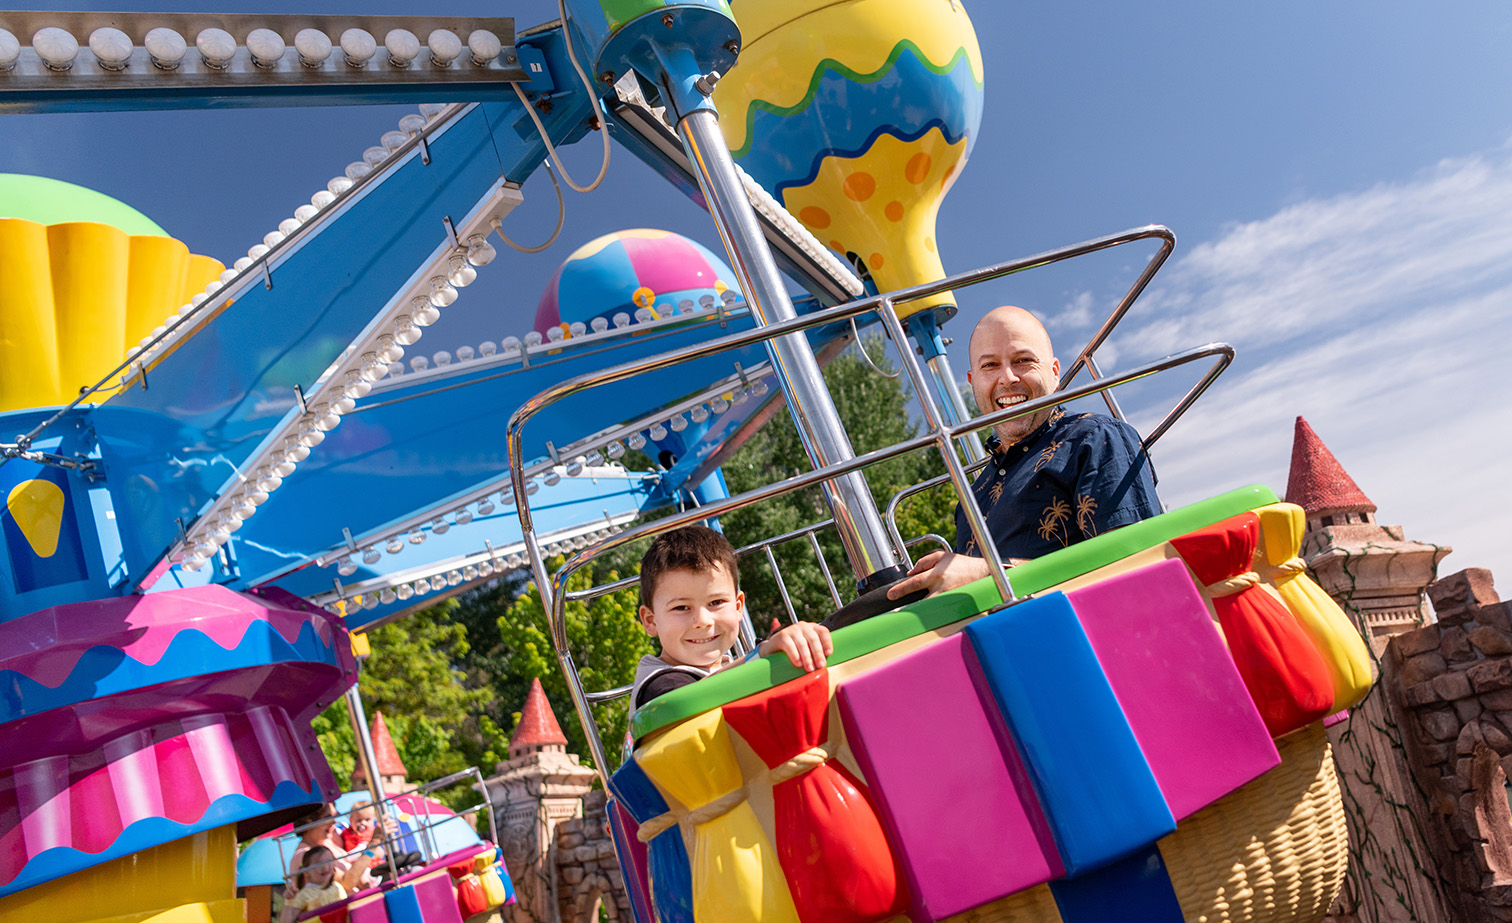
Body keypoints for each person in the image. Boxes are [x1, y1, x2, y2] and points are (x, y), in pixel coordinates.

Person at [889, 305, 1161, 599]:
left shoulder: (1096, 438)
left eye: (1023, 360)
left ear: (1054, 373)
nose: (1007, 378)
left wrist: (987, 574)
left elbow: (1141, 570)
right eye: (990, 365)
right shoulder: (975, 493)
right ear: (972, 382)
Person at [630, 525, 833, 714]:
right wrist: (760, 656)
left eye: (716, 602)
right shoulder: (658, 686)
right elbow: (690, 702)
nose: (702, 620)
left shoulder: (724, 667)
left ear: (738, 607)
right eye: (681, 607)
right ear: (650, 620)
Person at [286, 803, 378, 897]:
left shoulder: (327, 842)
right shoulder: (305, 855)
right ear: (309, 821)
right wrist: (375, 842)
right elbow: (347, 883)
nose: (334, 822)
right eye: (328, 817)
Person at [278, 845, 346, 923]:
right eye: (319, 864)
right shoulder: (304, 894)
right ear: (306, 871)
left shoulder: (337, 887)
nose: (325, 867)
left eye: (328, 861)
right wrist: (289, 902)